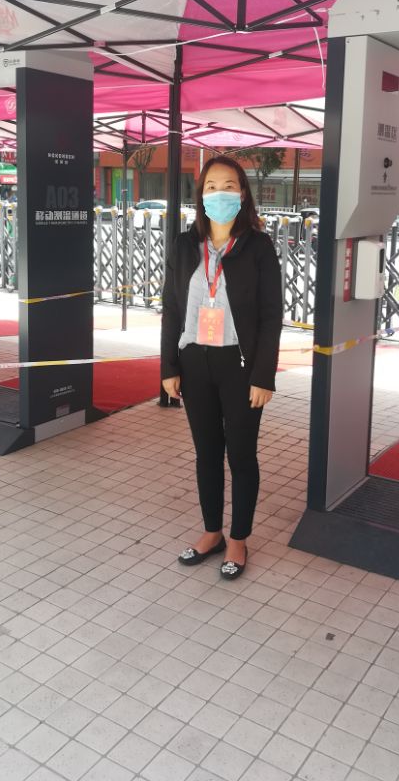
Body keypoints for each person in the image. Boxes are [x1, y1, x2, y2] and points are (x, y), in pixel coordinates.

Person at [161, 156, 283, 579]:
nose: (219, 194)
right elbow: (171, 309)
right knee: (207, 453)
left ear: (242, 193)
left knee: (242, 455)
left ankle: (238, 539)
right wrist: (169, 366)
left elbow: (271, 316)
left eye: (228, 185)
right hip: (195, 361)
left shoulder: (258, 247)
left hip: (240, 365)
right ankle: (212, 531)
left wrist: (264, 375)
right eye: (211, 187)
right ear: (201, 196)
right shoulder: (184, 245)